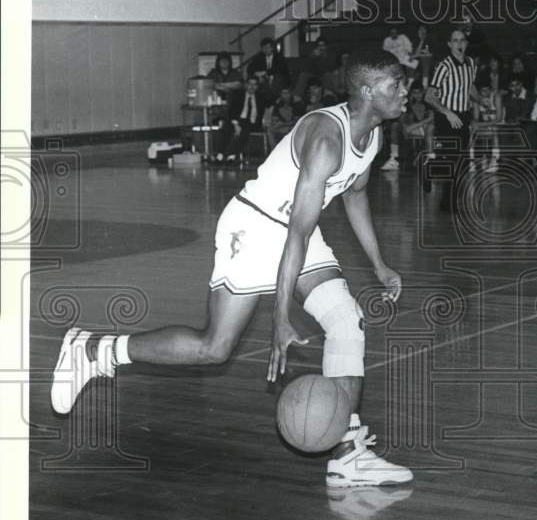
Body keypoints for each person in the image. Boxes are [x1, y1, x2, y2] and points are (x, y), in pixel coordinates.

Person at [51, 49, 414, 489]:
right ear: (367, 90)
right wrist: (279, 318)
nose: (405, 92)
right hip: (256, 227)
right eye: (396, 85)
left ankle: (347, 454)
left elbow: (354, 195)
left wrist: (379, 264)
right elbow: (294, 235)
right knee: (214, 348)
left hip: (297, 228)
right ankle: (96, 350)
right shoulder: (326, 139)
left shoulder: (372, 134)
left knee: (346, 320)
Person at [424, 29, 479, 211]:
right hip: (446, 116)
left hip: (463, 115)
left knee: (461, 160)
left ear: (466, 43)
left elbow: (469, 86)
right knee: (452, 160)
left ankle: (430, 168)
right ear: (449, 44)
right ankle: (448, 203)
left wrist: (481, 100)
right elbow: (429, 96)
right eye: (455, 40)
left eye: (462, 40)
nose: (459, 44)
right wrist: (447, 112)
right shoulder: (444, 66)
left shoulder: (471, 63)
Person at [214, 74, 270, 164]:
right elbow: (231, 111)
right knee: (227, 126)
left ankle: (231, 156)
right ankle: (219, 155)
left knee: (245, 129)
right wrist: (236, 124)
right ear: (245, 85)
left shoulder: (261, 97)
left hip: (253, 123)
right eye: (250, 84)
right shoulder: (238, 95)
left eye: (255, 84)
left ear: (257, 86)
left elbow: (272, 98)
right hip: (239, 120)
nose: (252, 87)